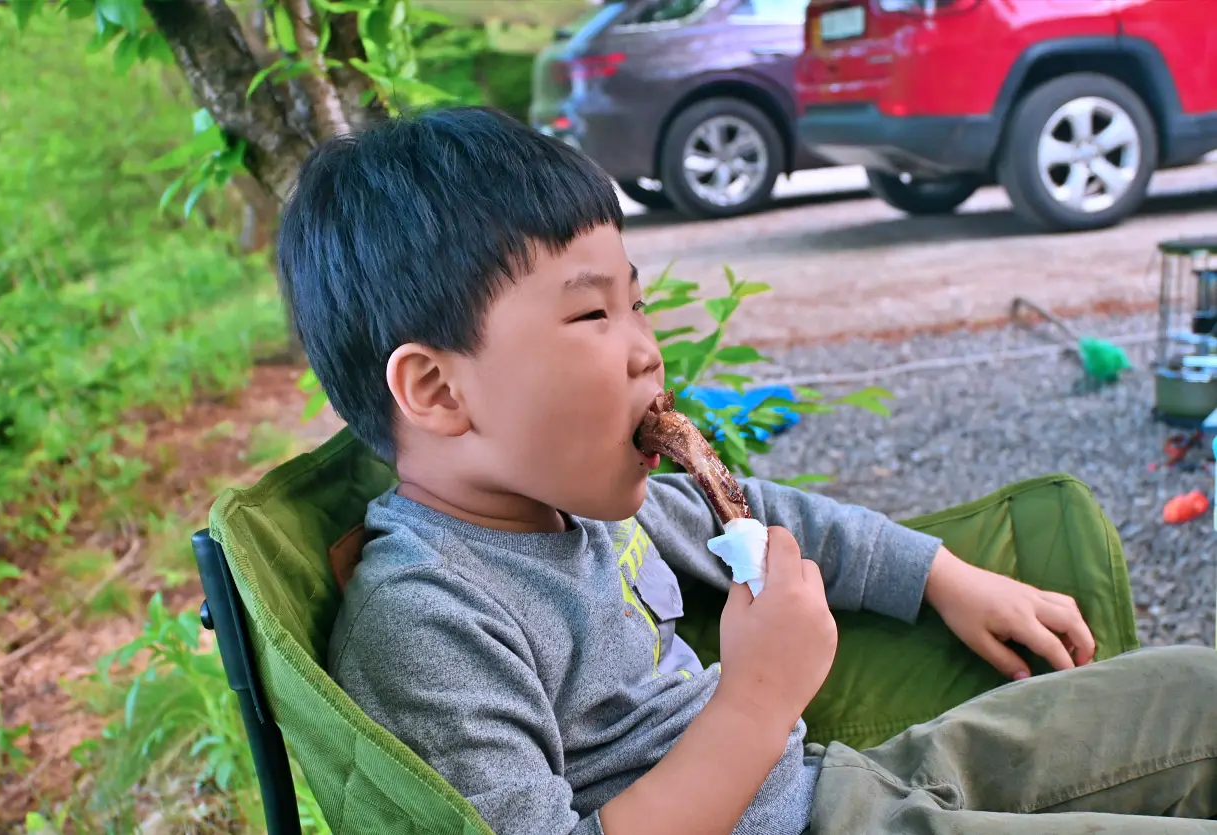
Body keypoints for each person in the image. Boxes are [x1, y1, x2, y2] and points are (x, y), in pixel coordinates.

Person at [276, 106, 1217, 835]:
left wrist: (944, 573)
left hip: (846, 785)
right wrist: (760, 697)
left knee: (1194, 687)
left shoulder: (579, 505)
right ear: (438, 390)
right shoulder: (426, 617)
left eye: (635, 305)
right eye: (591, 316)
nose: (646, 353)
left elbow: (757, 509)